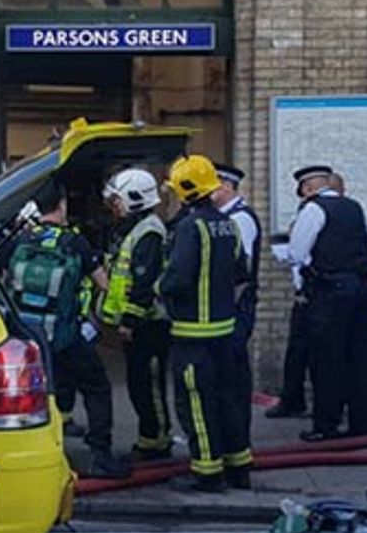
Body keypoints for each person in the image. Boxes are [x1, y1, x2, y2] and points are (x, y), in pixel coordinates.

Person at [6, 184, 128, 480]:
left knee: (40, 393)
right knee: (97, 388)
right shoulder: (76, 243)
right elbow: (104, 284)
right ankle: (100, 455)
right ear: (61, 206)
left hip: (29, 338)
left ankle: (44, 457)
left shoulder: (20, 240)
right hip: (66, 336)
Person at [160, 154, 250, 492]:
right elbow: (243, 273)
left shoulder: (189, 227)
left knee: (196, 404)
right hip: (224, 333)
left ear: (185, 190)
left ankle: (208, 473)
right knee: (227, 399)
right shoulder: (230, 224)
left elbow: (177, 279)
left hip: (191, 335)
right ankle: (239, 467)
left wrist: (157, 287)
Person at [282, 164, 367, 441]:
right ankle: (361, 423)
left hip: (329, 292)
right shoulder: (354, 207)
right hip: (360, 288)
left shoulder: (313, 209)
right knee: (358, 358)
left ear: (308, 188)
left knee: (327, 360)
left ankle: (326, 425)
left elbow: (297, 252)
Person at [99, 167, 173, 462]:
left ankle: (158, 441)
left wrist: (129, 320)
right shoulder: (136, 229)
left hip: (148, 325)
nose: (114, 207)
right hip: (138, 323)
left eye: (117, 201)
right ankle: (148, 437)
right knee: (138, 384)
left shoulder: (150, 232)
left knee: (150, 385)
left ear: (134, 198)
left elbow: (143, 282)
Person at [211, 162, 262, 468]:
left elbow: (238, 272)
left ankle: (238, 445)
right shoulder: (224, 218)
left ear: (227, 187)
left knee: (233, 378)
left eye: (213, 184)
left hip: (236, 310)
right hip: (228, 309)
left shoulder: (240, 219)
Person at [267, 173, 312, 419]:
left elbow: (296, 254)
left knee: (301, 352)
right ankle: (294, 399)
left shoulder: (317, 214)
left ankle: (295, 401)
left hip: (311, 296)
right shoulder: (346, 215)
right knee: (299, 353)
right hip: (307, 295)